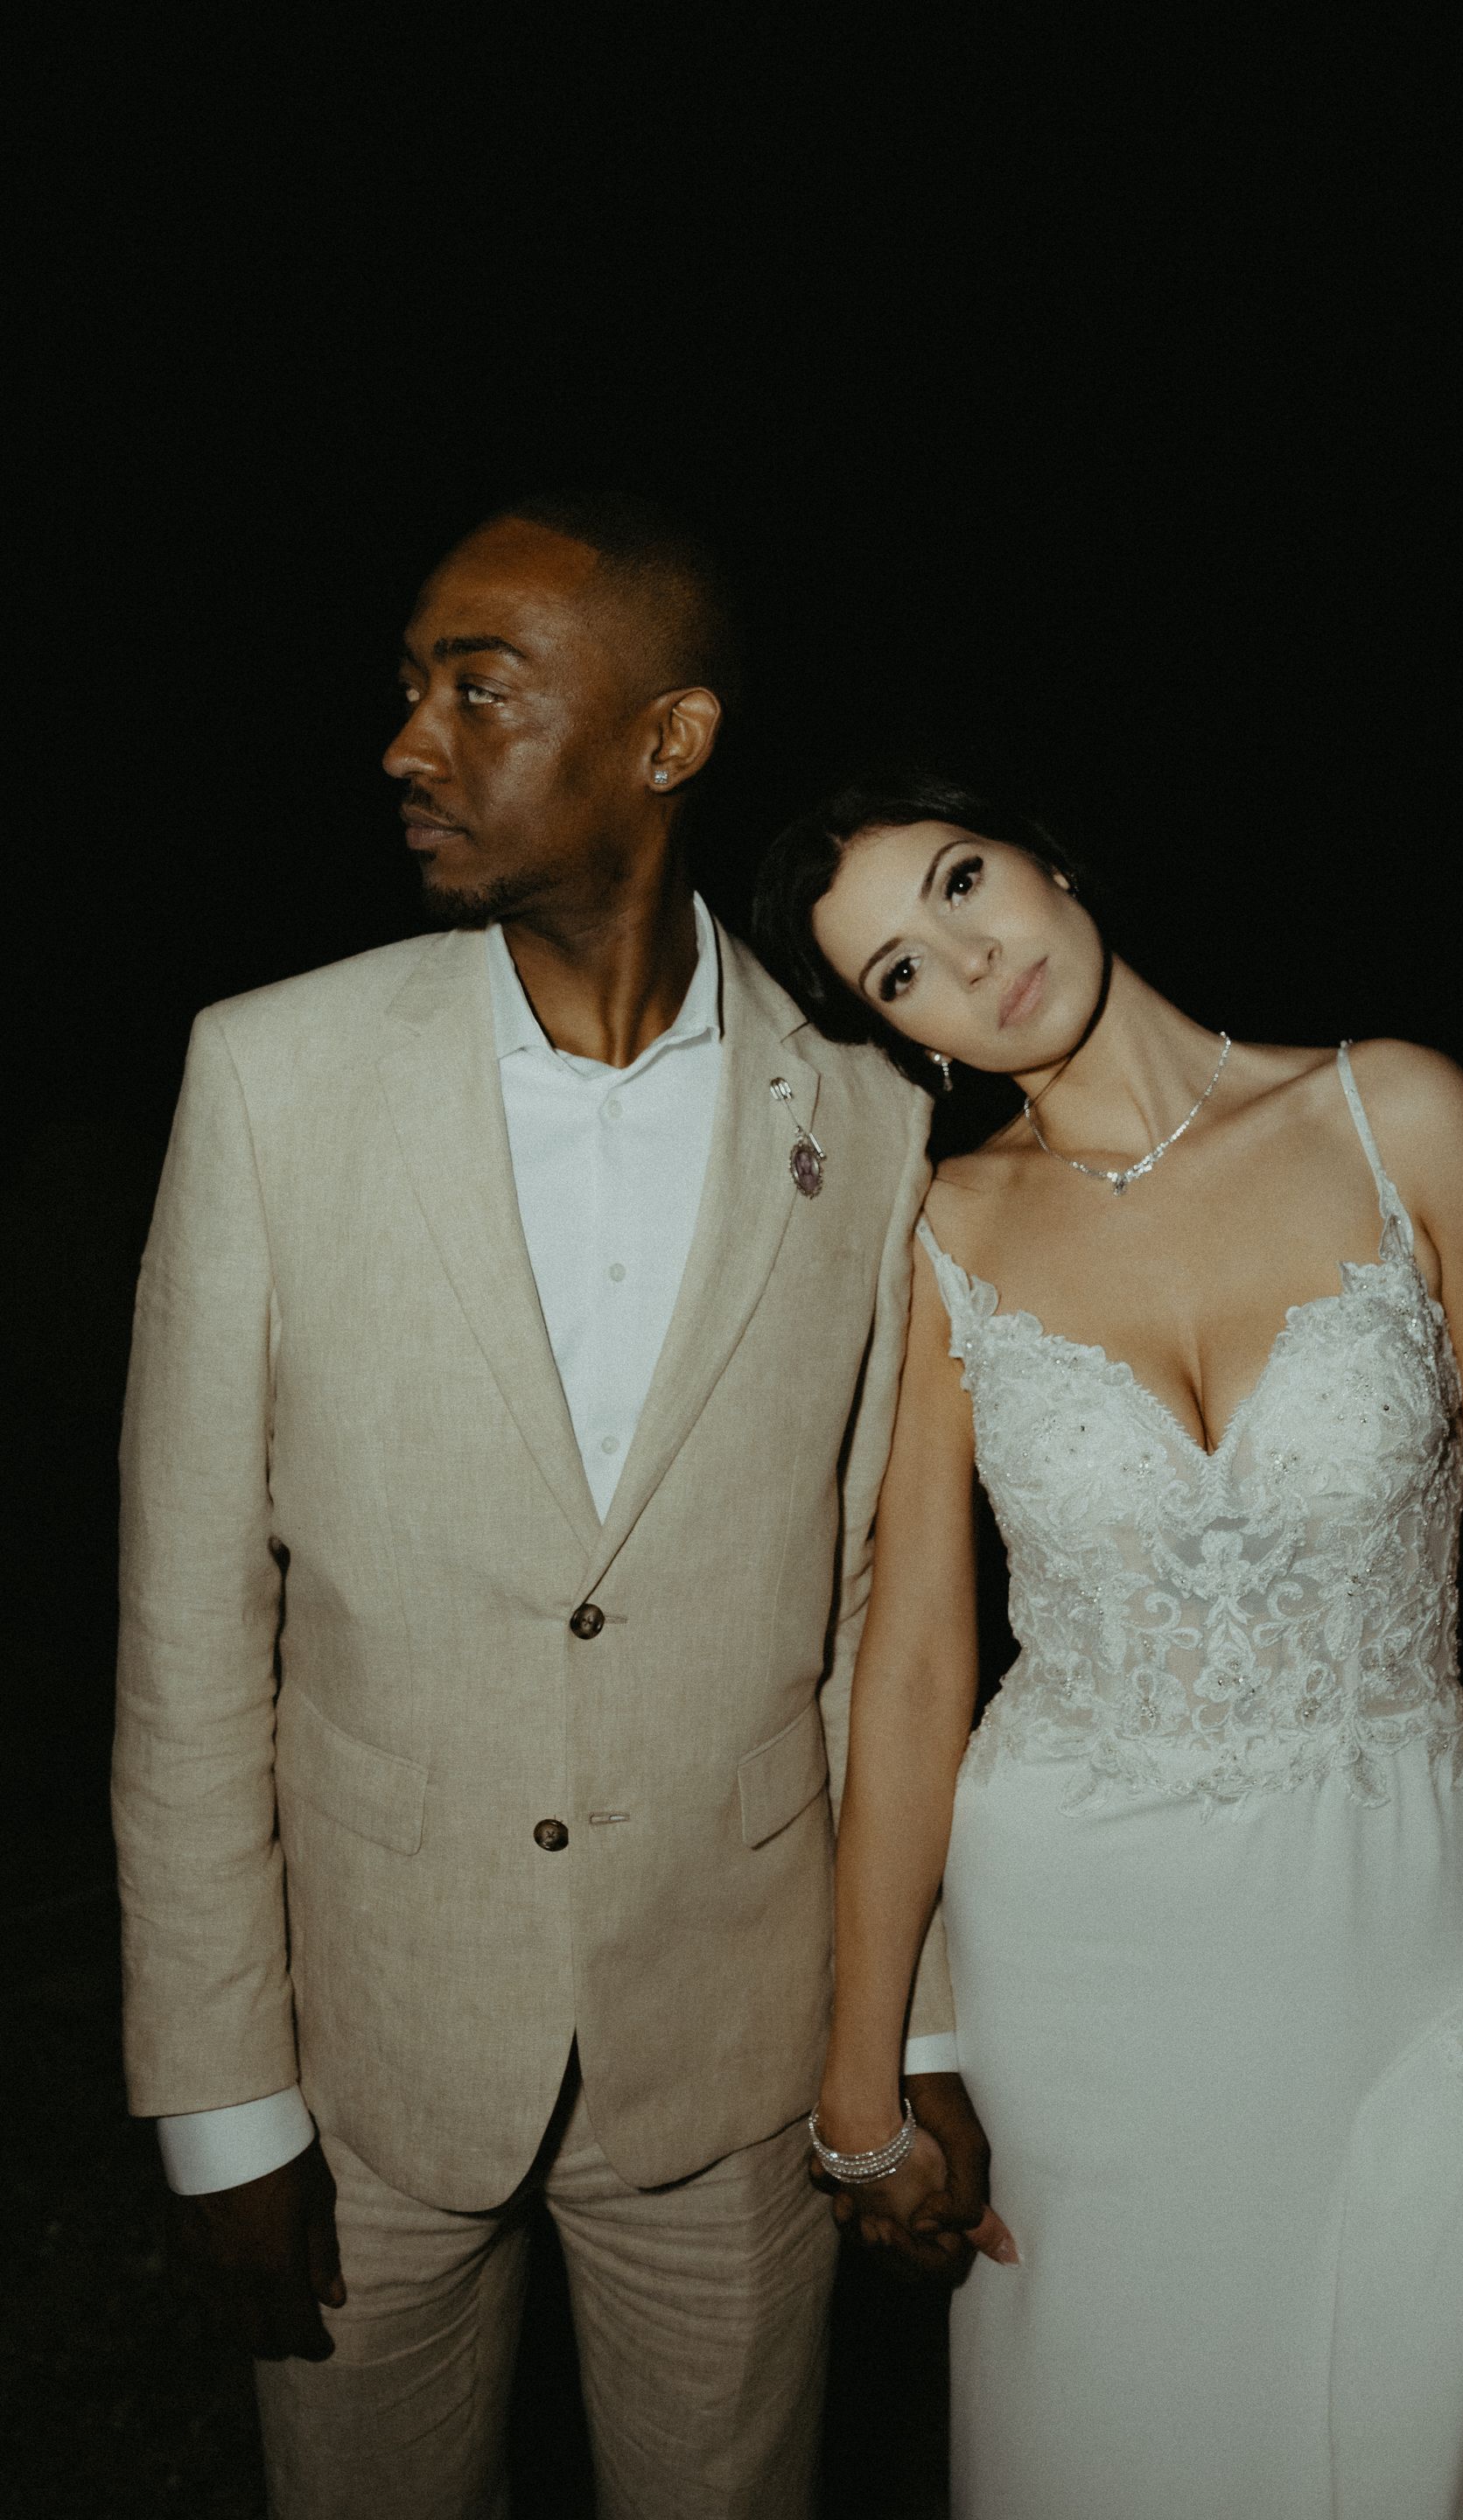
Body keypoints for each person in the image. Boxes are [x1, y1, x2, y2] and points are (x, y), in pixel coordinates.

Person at [110, 506, 979, 2520]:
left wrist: (907, 2019)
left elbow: (878, 1617)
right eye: (410, 688)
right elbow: (183, 1633)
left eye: (479, 691)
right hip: (369, 2064)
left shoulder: (868, 1117)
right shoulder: (270, 1074)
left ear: (669, 740)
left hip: (739, 2061)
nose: (411, 743)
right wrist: (223, 2108)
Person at [752, 774, 1463, 2519]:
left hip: (1392, 1900)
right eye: (898, 971)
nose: (968, 956)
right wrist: (860, 2079)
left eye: (963, 883)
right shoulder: (944, 1231)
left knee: (1430, 2405)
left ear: (1047, 855)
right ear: (902, 1038)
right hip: (1080, 1948)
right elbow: (917, 1668)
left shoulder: (1400, 1112)